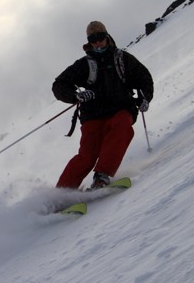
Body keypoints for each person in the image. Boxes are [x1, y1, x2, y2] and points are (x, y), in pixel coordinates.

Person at [52, 21, 154, 189]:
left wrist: (145, 97)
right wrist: (76, 95)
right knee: (87, 156)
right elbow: (59, 85)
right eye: (93, 39)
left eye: (100, 37)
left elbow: (144, 78)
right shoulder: (84, 64)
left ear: (107, 37)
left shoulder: (122, 59)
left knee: (122, 127)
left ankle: (102, 175)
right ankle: (60, 195)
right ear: (89, 41)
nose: (97, 42)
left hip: (121, 109)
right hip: (93, 115)